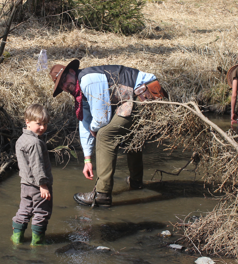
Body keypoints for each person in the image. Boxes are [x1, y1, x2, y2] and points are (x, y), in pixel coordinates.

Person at [49, 60, 166, 207]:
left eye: (64, 80)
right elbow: (84, 122)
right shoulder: (80, 93)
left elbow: (101, 119)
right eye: (61, 86)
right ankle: (136, 182)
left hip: (146, 94)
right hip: (134, 98)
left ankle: (102, 195)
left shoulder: (87, 81)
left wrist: (94, 128)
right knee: (127, 134)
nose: (65, 86)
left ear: (72, 72)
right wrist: (87, 159)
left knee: (105, 135)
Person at [11, 104, 53, 246]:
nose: (42, 127)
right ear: (27, 122)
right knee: (41, 212)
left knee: (24, 209)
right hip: (38, 186)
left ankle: (17, 237)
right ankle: (37, 241)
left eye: (45, 124)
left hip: (25, 184)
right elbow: (37, 166)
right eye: (39, 124)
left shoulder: (21, 140)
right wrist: (43, 185)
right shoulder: (35, 143)